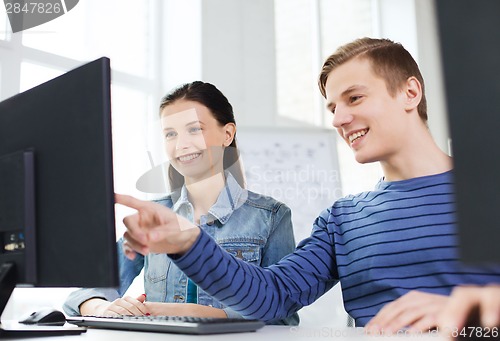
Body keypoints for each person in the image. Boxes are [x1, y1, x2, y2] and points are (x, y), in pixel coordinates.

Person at [116, 38, 500, 333]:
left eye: (354, 98)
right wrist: (190, 244)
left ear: (409, 93)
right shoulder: (343, 219)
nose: (338, 119)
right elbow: (272, 297)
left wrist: (476, 314)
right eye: (333, 108)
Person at [63, 81, 298, 325]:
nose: (181, 144)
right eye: (170, 134)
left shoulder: (271, 216)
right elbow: (86, 292)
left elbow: (283, 316)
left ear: (227, 134)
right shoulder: (155, 215)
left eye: (194, 129)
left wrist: (199, 314)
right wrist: (103, 308)